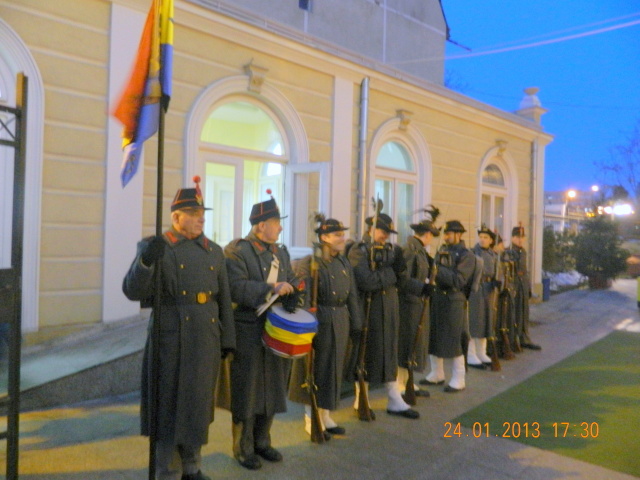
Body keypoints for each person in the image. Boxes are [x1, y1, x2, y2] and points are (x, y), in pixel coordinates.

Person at [123, 176, 236, 480]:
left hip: (205, 337)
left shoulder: (214, 251)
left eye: (203, 214)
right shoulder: (157, 246)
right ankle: (168, 471)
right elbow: (132, 291)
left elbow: (223, 297)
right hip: (170, 337)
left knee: (198, 406)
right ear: (176, 218)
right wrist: (146, 261)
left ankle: (193, 467)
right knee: (169, 408)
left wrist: (228, 339)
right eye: (194, 214)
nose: (201, 219)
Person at [223, 193, 299, 470]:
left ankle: (263, 442)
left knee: (272, 387)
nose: (280, 227)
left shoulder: (280, 252)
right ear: (259, 226)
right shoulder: (237, 251)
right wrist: (271, 289)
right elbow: (236, 288)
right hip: (248, 329)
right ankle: (243, 448)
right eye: (275, 222)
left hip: (276, 329)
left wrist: (292, 289)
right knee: (247, 390)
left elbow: (289, 278)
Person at [347, 206, 428, 419]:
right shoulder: (359, 250)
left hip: (389, 310)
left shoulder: (389, 250)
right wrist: (390, 272)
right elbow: (365, 281)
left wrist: (422, 288)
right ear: (370, 229)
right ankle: (360, 398)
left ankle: (394, 398)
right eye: (381, 231)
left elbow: (401, 280)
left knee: (390, 352)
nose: (384, 235)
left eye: (387, 232)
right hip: (369, 310)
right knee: (365, 353)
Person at [289, 215, 362, 439]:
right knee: (316, 370)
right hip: (319, 320)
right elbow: (303, 297)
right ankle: (312, 419)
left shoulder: (343, 262)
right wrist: (306, 327)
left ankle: (326, 414)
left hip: (340, 319)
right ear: (324, 237)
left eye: (342, 234)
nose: (343, 238)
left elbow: (351, 295)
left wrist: (356, 322)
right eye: (338, 235)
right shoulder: (310, 262)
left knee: (334, 369)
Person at [422, 220, 476, 393]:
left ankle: (459, 377)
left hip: (454, 299)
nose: (445, 236)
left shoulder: (466, 255)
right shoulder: (442, 250)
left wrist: (437, 270)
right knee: (434, 335)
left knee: (454, 337)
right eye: (445, 233)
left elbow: (459, 280)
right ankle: (437, 373)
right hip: (438, 297)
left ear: (458, 234)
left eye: (449, 233)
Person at [396, 206, 440, 400]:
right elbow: (403, 278)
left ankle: (409, 383)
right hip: (408, 305)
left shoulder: (419, 251)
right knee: (407, 344)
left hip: (417, 304)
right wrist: (421, 287)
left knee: (414, 345)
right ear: (427, 235)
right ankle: (399, 386)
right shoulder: (410, 250)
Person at [467, 226, 499, 369]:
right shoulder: (472, 253)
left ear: (491, 240)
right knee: (475, 321)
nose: (482, 239)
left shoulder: (493, 255)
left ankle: (482, 352)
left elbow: (498, 271)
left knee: (486, 320)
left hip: (489, 289)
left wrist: (498, 282)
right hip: (476, 289)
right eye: (481, 237)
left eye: (486, 237)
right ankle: (471, 354)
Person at [505, 225, 541, 350]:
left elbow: (525, 271)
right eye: (517, 237)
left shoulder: (523, 252)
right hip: (514, 285)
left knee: (524, 312)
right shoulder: (508, 251)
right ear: (512, 238)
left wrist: (529, 287)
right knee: (515, 314)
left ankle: (524, 337)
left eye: (522, 237)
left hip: (523, 285)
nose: (520, 240)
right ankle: (514, 339)